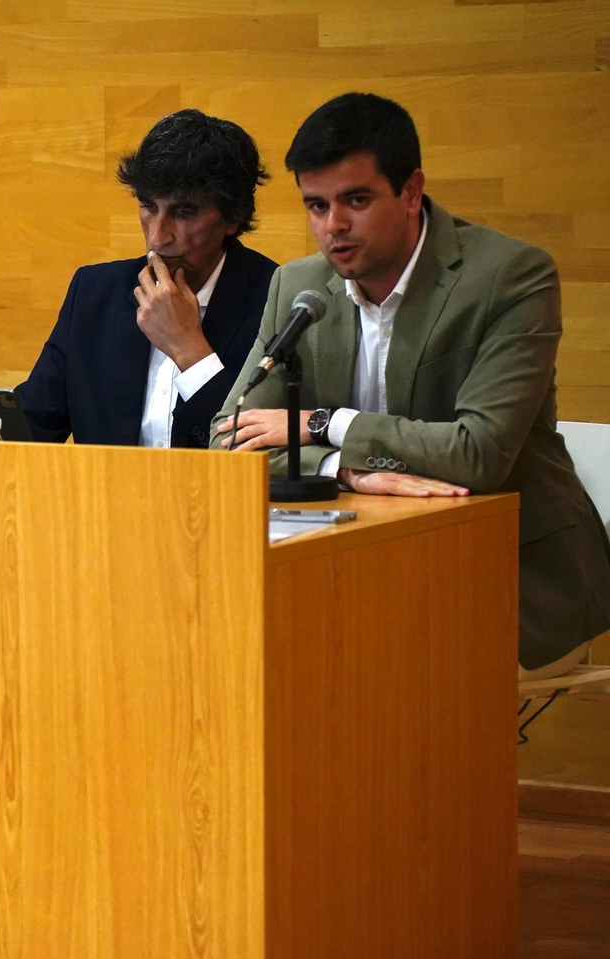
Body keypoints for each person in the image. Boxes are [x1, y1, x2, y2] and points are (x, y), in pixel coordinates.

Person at [211, 92, 610, 675]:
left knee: (356, 666)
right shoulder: (299, 286)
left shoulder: (510, 277)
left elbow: (477, 455)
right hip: (352, 570)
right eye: (316, 206)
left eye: (356, 200)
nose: (333, 226)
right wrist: (340, 469)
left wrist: (323, 425)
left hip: (505, 577)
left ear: (412, 190)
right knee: (245, 648)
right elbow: (228, 440)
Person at [14, 110, 277, 448]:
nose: (157, 237)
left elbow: (267, 452)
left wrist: (189, 350)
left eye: (183, 212)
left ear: (232, 217)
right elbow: (29, 429)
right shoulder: (95, 294)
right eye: (149, 207)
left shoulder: (278, 300)